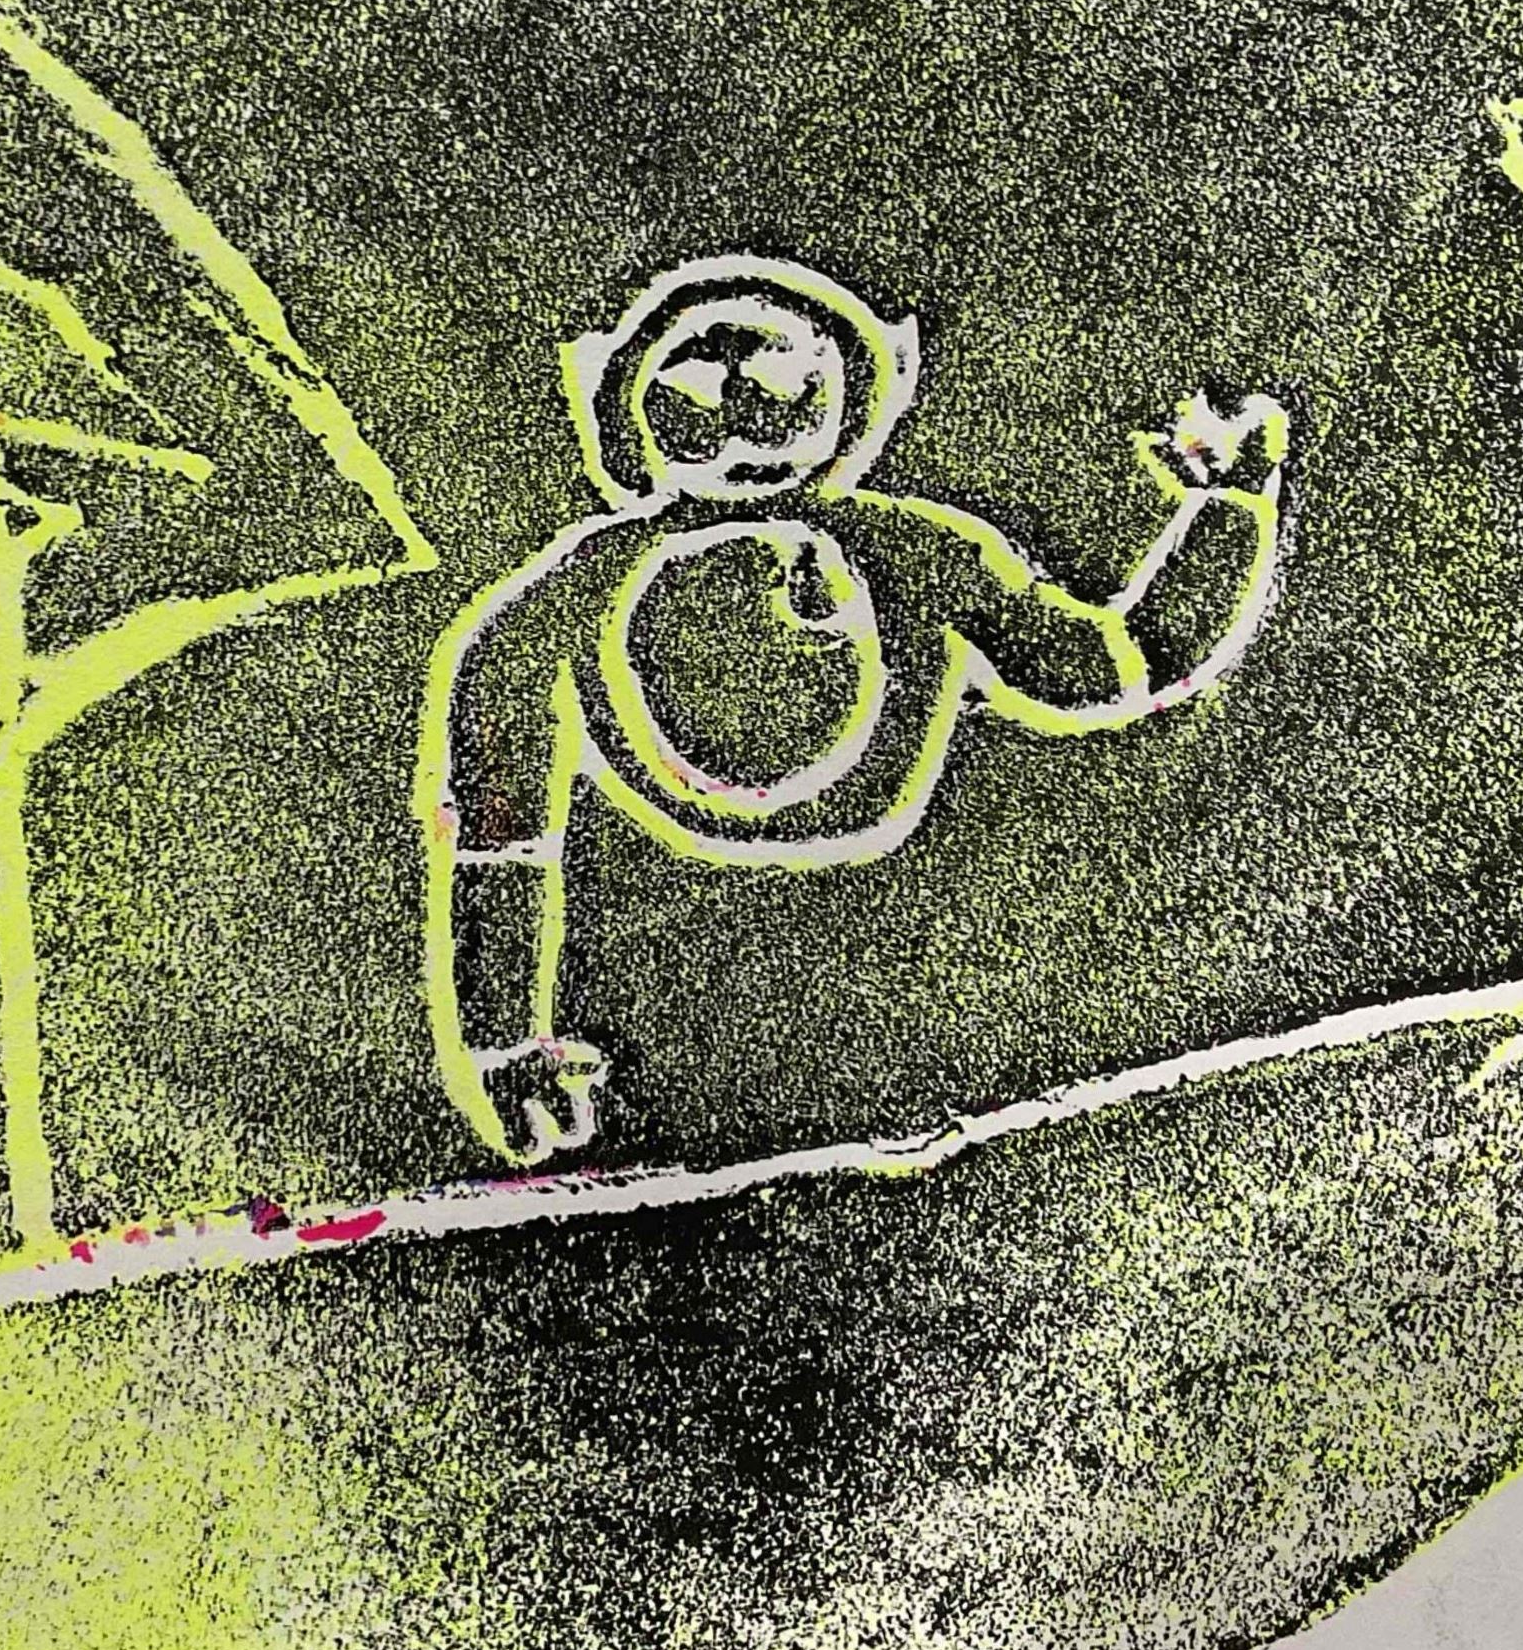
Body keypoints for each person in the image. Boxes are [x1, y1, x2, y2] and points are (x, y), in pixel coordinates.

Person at [416, 255, 1290, 1165]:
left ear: (847, 407)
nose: (739, 422)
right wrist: (506, 1049)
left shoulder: (919, 551)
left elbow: (1120, 665)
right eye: (699, 399)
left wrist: (1230, 507)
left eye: (775, 392)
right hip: (696, 1016)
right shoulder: (561, 603)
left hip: (942, 986)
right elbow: (501, 844)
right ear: (633, 415)